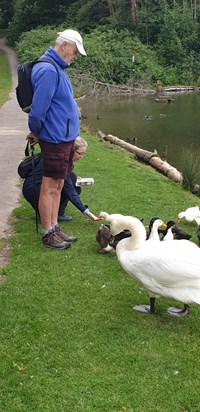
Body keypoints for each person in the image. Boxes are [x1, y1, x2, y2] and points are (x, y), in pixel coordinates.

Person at [26, 29, 87, 250]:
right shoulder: (48, 70)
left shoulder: (58, 69)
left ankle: (54, 227)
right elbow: (37, 111)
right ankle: (48, 233)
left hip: (63, 138)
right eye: (74, 51)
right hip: (54, 138)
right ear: (64, 45)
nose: (75, 56)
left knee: (59, 184)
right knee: (49, 186)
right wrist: (37, 133)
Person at [22, 137, 101, 222]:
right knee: (74, 185)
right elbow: (71, 191)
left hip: (29, 188)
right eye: (80, 153)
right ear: (71, 150)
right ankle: (57, 213)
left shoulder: (57, 153)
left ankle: (44, 211)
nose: (81, 157)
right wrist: (88, 213)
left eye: (84, 154)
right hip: (34, 191)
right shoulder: (62, 162)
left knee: (72, 178)